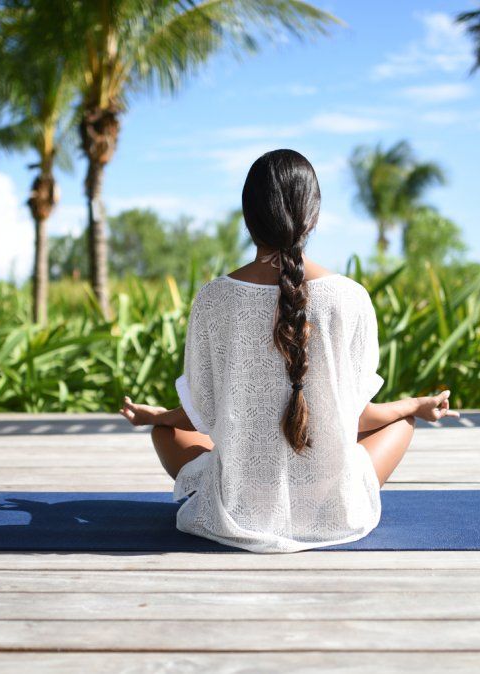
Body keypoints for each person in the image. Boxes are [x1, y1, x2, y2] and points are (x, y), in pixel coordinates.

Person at [120, 149, 458, 553]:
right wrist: (414, 406)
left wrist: (158, 416)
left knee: (165, 431)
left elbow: (205, 416)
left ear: (248, 219)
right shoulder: (350, 298)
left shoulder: (212, 300)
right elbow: (357, 417)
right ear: (313, 217)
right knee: (401, 423)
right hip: (326, 500)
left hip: (242, 502)